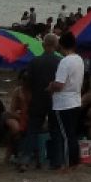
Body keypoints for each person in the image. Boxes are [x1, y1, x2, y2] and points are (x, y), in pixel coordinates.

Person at [18, 33, 60, 170]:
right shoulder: (60, 62)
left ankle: (25, 160)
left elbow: (27, 83)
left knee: (32, 130)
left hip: (37, 99)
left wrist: (29, 97)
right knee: (55, 130)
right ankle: (55, 161)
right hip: (54, 100)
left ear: (43, 45)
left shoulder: (34, 62)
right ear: (56, 46)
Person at [49, 31, 84, 171]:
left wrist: (51, 86)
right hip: (75, 100)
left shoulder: (65, 62)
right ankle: (74, 163)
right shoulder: (79, 59)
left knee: (66, 136)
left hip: (64, 103)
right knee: (72, 134)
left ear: (61, 45)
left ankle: (69, 164)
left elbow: (59, 85)